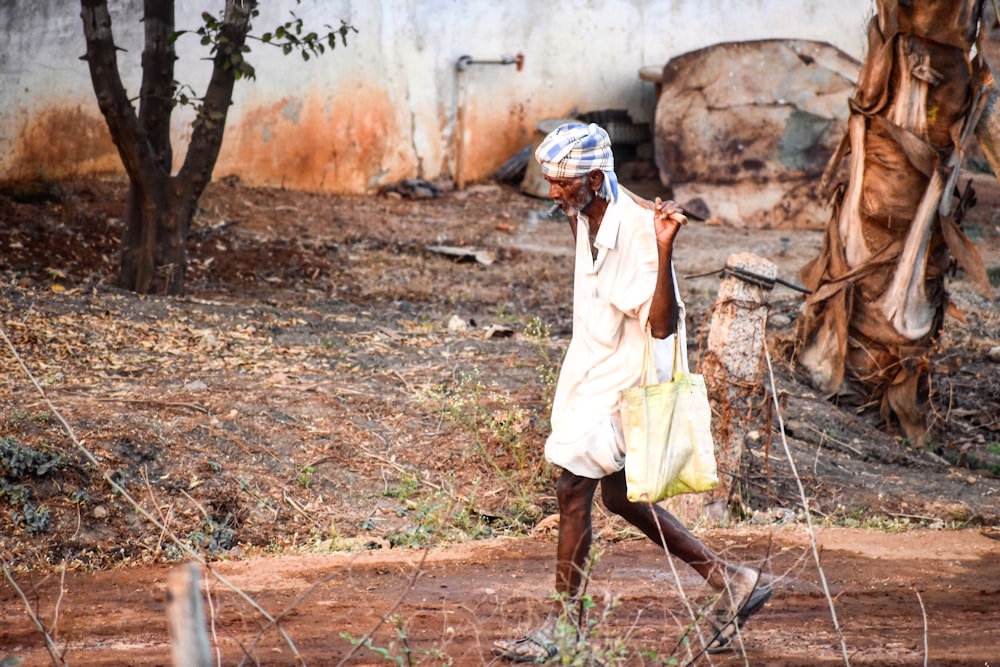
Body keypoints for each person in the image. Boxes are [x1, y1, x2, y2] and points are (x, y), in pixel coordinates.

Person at [492, 122, 772, 662]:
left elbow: (662, 326)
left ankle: (563, 630)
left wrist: (665, 249)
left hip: (628, 379)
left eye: (563, 183)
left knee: (574, 487)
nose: (554, 193)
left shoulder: (642, 235)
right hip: (596, 367)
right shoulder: (589, 208)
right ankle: (731, 578)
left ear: (594, 179)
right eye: (550, 181)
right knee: (618, 495)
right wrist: (594, 199)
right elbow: (603, 210)